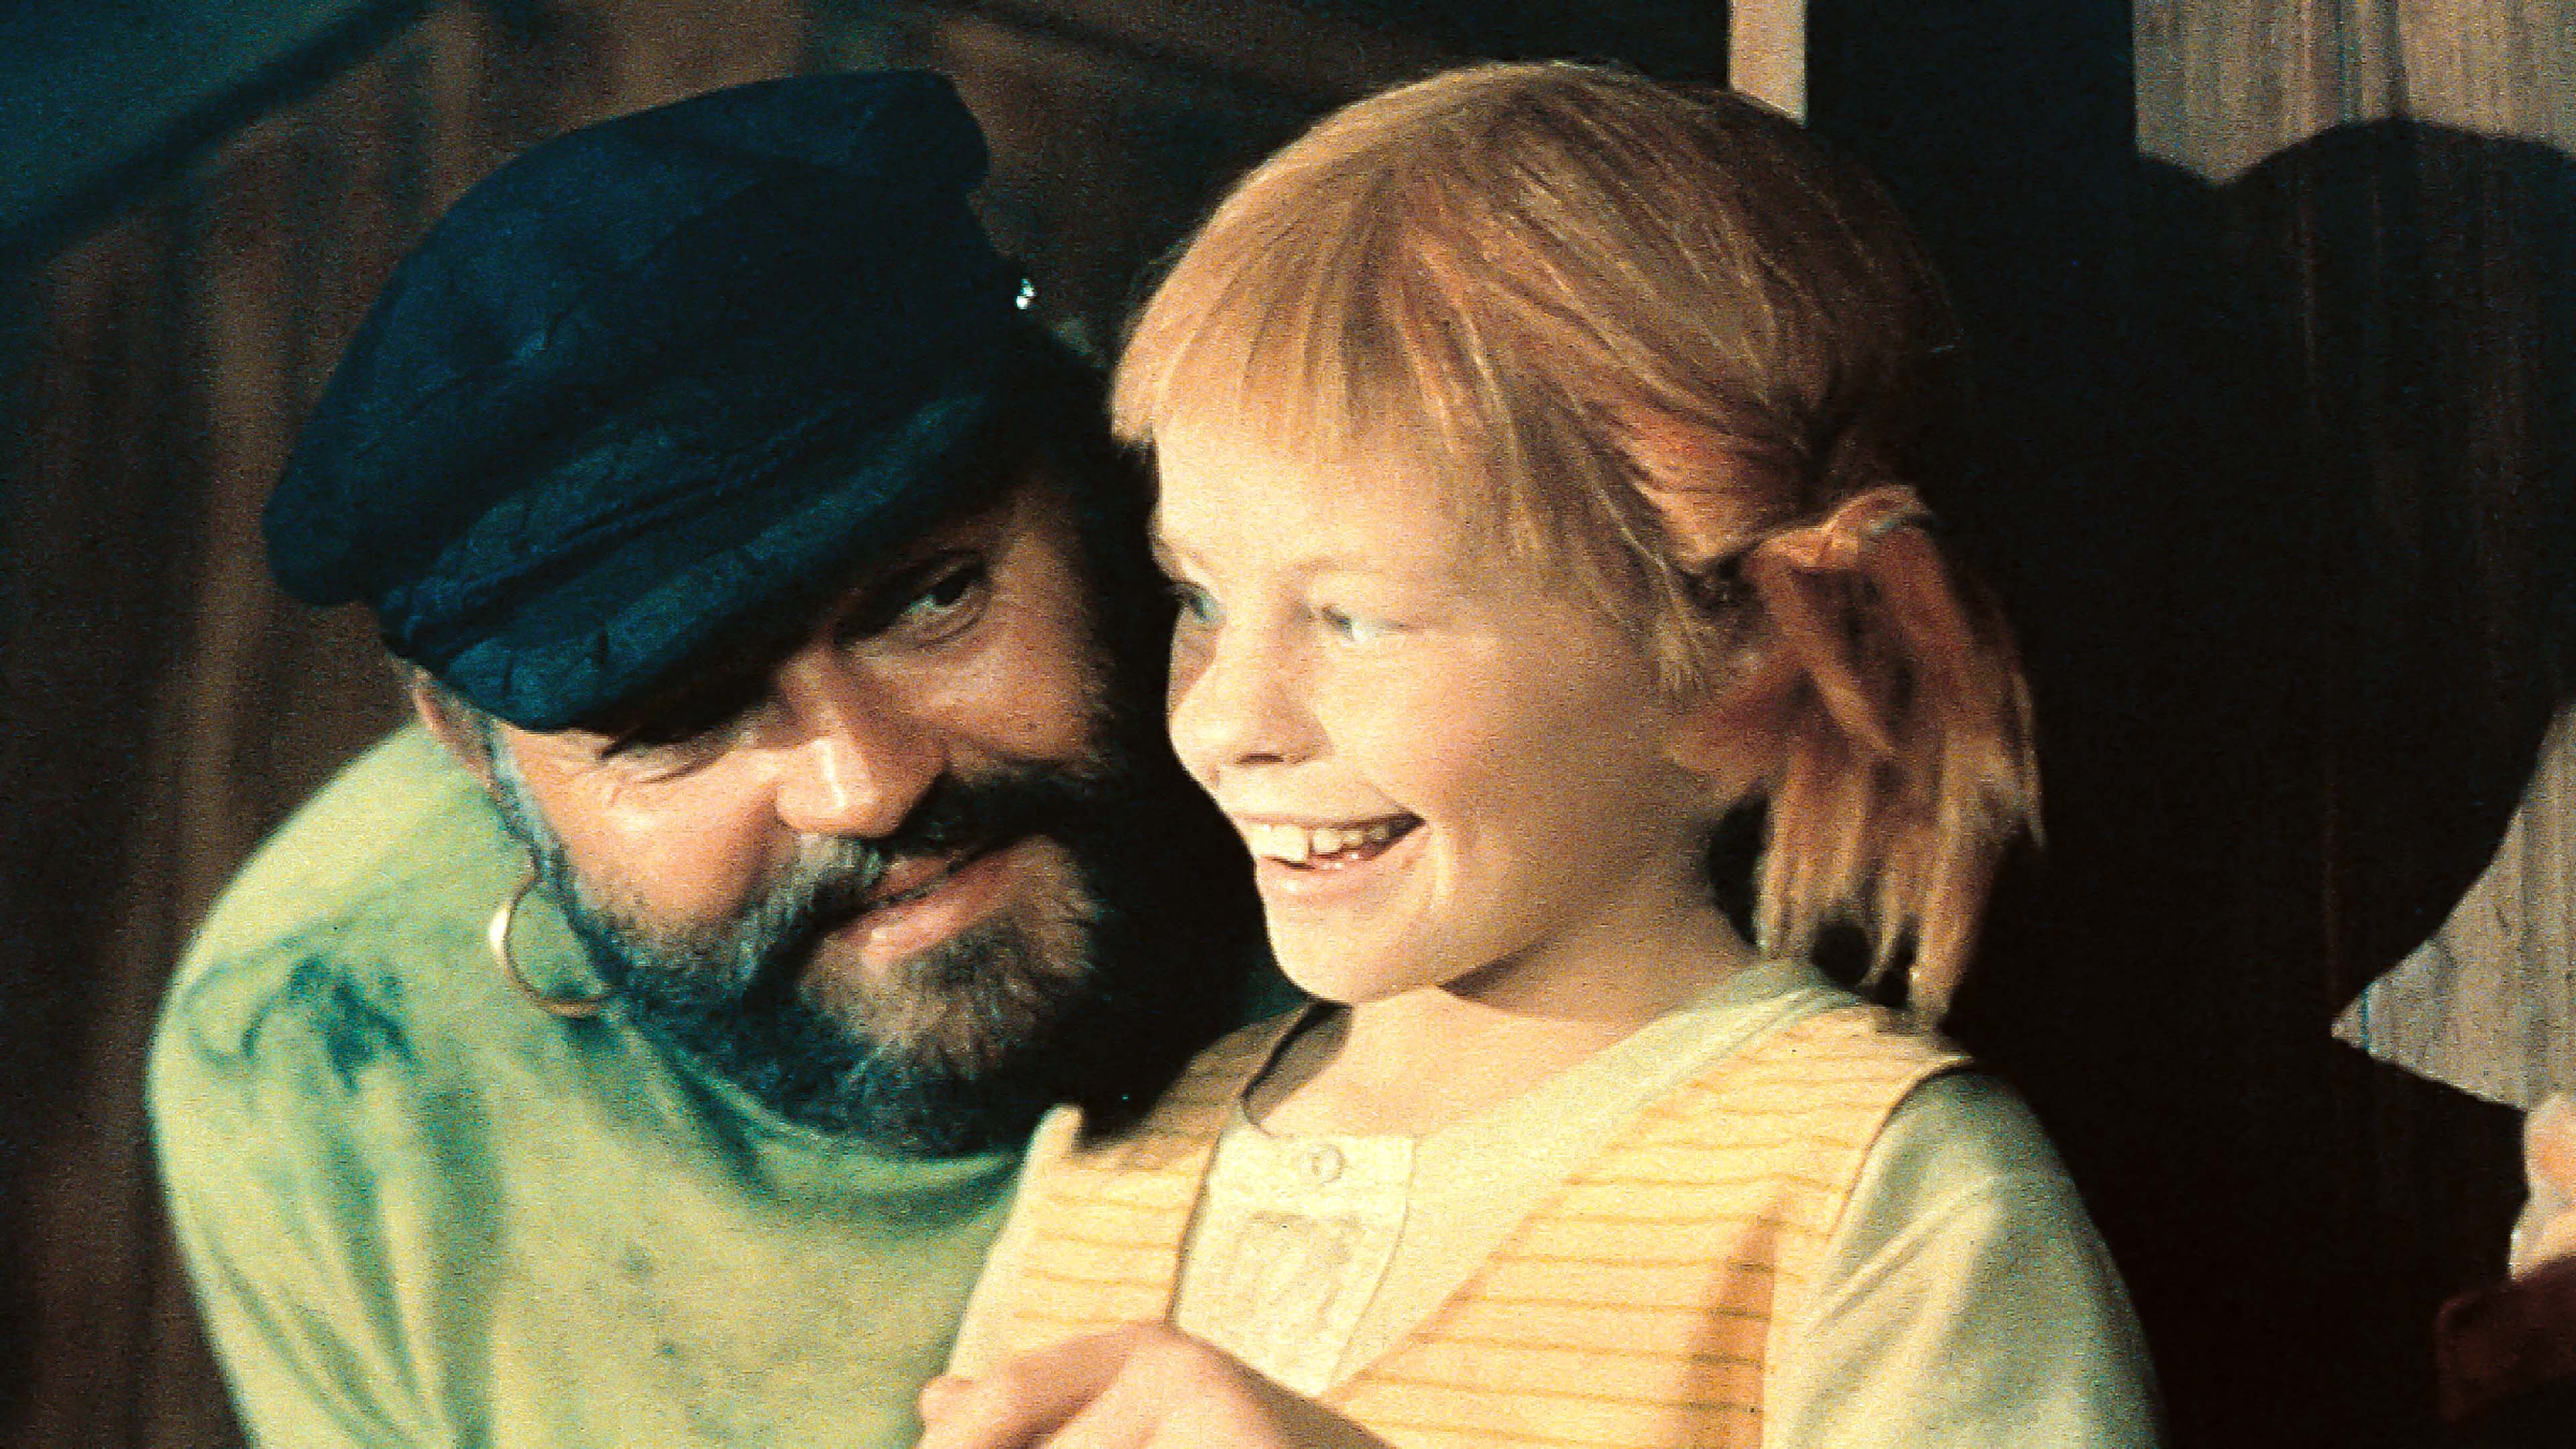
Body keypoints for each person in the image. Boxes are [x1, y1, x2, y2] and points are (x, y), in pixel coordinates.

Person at [923, 62, 2161, 1447]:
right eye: (1200, 600)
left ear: (1741, 642)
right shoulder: (1099, 1173)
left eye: (1355, 618)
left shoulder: (1873, 1192)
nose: (1226, 721)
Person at [146, 72, 1260, 1448]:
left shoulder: (1412, 814)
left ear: (1100, 498)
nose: (867, 784)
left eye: (933, 598)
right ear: (474, 753)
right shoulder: (327, 1049)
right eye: (679, 718)